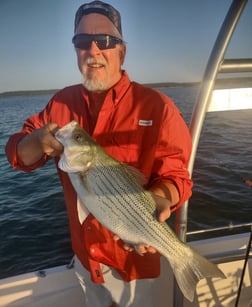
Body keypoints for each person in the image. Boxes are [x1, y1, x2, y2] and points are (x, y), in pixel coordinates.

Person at [5, 1, 193, 306]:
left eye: (105, 41)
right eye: (82, 41)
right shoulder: (61, 104)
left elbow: (178, 178)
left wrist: (159, 199)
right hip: (86, 262)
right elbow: (17, 153)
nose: (93, 50)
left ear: (122, 51)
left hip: (138, 265)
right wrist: (37, 142)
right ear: (76, 51)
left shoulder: (159, 107)